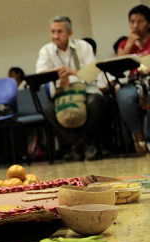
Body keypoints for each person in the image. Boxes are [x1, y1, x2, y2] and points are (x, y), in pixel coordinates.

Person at [36, 15, 103, 161]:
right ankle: (84, 143)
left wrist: (72, 72)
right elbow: (40, 73)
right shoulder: (46, 51)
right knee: (47, 108)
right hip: (62, 93)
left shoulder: (83, 47)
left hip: (85, 91)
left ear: (70, 33)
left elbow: (93, 72)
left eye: (60, 31)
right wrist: (56, 73)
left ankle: (78, 146)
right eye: (52, 31)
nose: (55, 35)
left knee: (95, 102)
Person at [116, 5, 150, 155]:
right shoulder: (124, 43)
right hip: (131, 82)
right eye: (132, 22)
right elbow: (116, 67)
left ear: (148, 23)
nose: (135, 26)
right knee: (124, 96)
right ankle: (138, 137)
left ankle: (149, 138)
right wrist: (129, 44)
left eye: (140, 21)